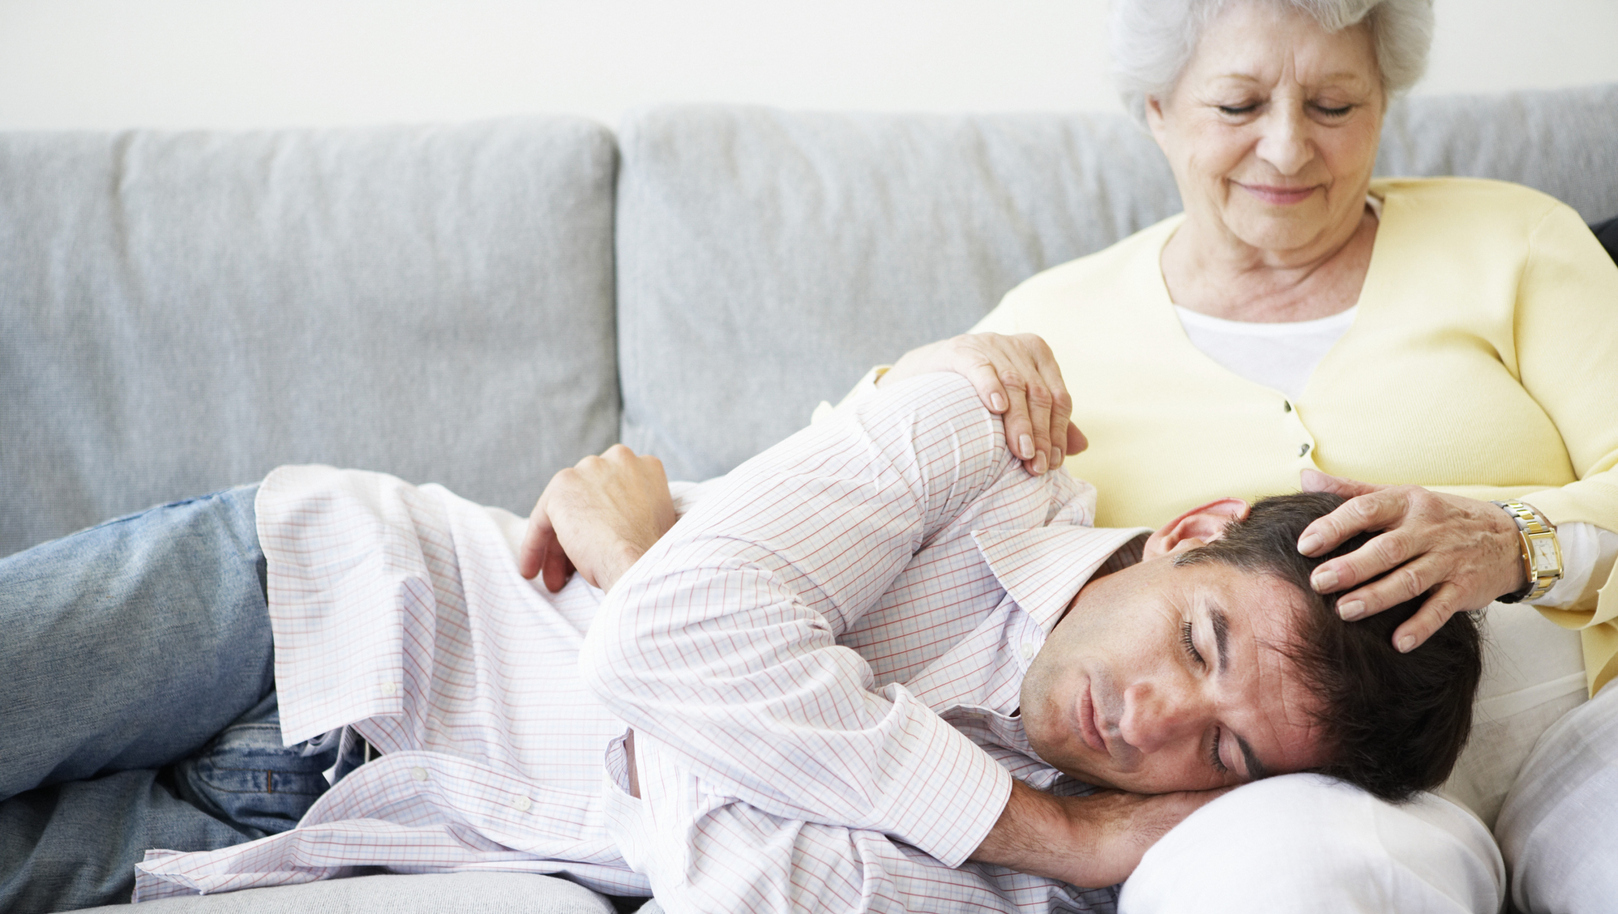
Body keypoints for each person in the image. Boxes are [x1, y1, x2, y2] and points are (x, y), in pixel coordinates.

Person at [0, 373, 1485, 913]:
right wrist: (1040, 823)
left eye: (1224, 749)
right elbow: (682, 635)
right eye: (1200, 639)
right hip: (312, 595)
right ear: (1192, 529)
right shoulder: (973, 445)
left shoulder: (1045, 901)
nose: (1150, 717)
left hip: (334, 830)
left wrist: (645, 577)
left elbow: (737, 892)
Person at [828, 0, 1618, 910]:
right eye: (1239, 106)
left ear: (1384, 101)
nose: (1286, 149)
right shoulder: (1055, 319)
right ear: (1158, 108)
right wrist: (922, 373)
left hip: (1589, 716)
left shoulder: (1515, 241)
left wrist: (1518, 540)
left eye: (1333, 106)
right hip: (1292, 792)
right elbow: (835, 508)